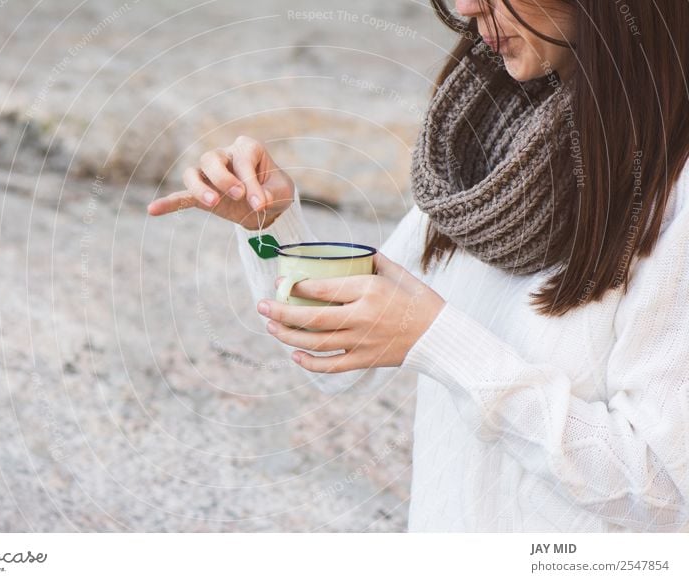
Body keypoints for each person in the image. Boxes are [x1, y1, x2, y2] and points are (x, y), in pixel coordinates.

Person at [148, 0, 689, 532]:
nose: (465, 6)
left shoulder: (676, 195)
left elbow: (663, 486)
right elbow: (339, 354)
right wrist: (268, 225)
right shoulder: (484, 143)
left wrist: (440, 343)